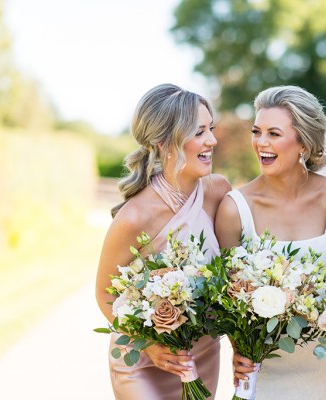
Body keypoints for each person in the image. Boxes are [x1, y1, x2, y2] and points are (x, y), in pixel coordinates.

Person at [214, 85, 326, 400]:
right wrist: (239, 348)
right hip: (259, 368)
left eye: (274, 134)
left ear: (304, 142)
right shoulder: (233, 209)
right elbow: (227, 296)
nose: (261, 142)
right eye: (257, 131)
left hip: (322, 365)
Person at [95, 83, 230, 400]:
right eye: (199, 132)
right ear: (164, 142)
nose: (212, 140)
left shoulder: (217, 191)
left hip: (201, 355)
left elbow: (232, 273)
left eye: (211, 128)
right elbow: (104, 294)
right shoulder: (132, 218)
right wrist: (152, 347)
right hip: (142, 362)